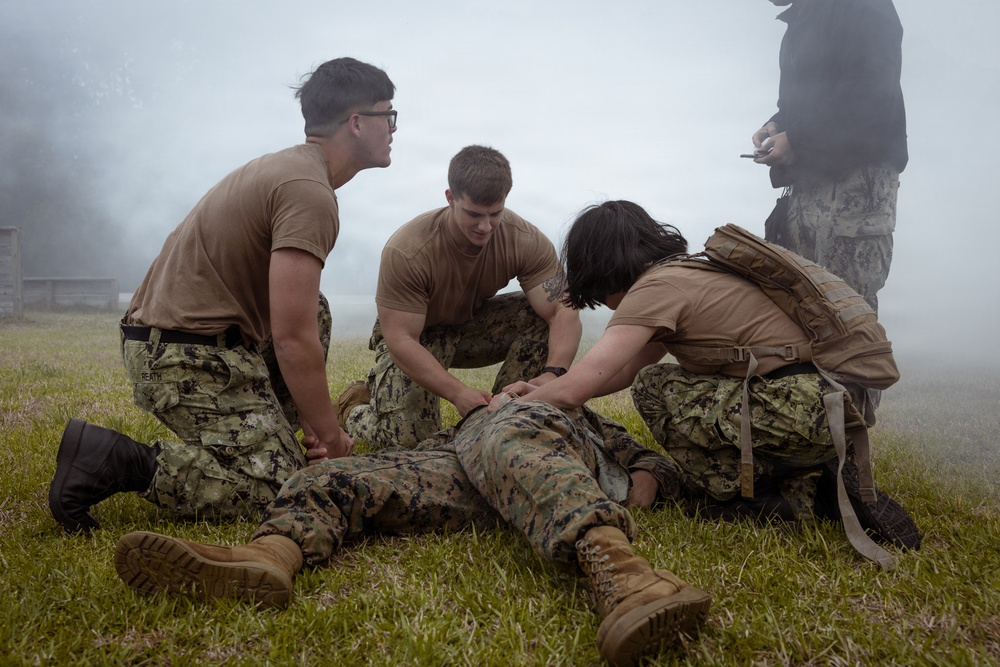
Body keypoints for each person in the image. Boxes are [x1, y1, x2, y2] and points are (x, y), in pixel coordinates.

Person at [49, 57, 398, 534]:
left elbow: (298, 320)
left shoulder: (293, 171)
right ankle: (118, 460)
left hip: (192, 341)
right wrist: (334, 439)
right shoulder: (307, 191)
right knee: (284, 491)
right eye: (388, 115)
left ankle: (276, 441)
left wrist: (314, 430)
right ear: (357, 123)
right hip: (178, 355)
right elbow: (292, 339)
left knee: (315, 309)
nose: (394, 128)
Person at [114, 399, 711, 666]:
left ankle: (626, 576)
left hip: (534, 454)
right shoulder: (483, 417)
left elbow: (653, 467)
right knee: (335, 474)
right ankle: (270, 555)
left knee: (509, 433)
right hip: (466, 461)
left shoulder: (567, 411)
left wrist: (632, 485)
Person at [501, 200, 921, 551]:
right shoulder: (686, 274)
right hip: (826, 405)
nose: (607, 306)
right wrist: (543, 387)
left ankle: (738, 495)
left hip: (803, 407)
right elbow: (621, 369)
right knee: (655, 378)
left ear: (604, 266)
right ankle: (811, 490)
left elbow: (584, 387)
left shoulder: (654, 289)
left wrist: (513, 406)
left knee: (656, 388)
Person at [333, 145, 581, 452]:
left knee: (537, 317)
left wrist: (552, 374)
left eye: (495, 214)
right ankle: (354, 408)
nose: (485, 226)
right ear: (451, 198)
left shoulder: (524, 238)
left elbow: (562, 308)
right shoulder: (408, 250)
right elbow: (401, 339)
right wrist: (459, 393)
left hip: (470, 327)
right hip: (417, 336)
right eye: (474, 214)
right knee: (410, 443)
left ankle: (508, 416)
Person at [749, 0, 907, 315]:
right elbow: (812, 99)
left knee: (846, 310)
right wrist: (778, 124)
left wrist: (796, 139)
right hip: (807, 181)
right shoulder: (803, 17)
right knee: (805, 308)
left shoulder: (863, 6)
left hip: (857, 183)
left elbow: (871, 94)